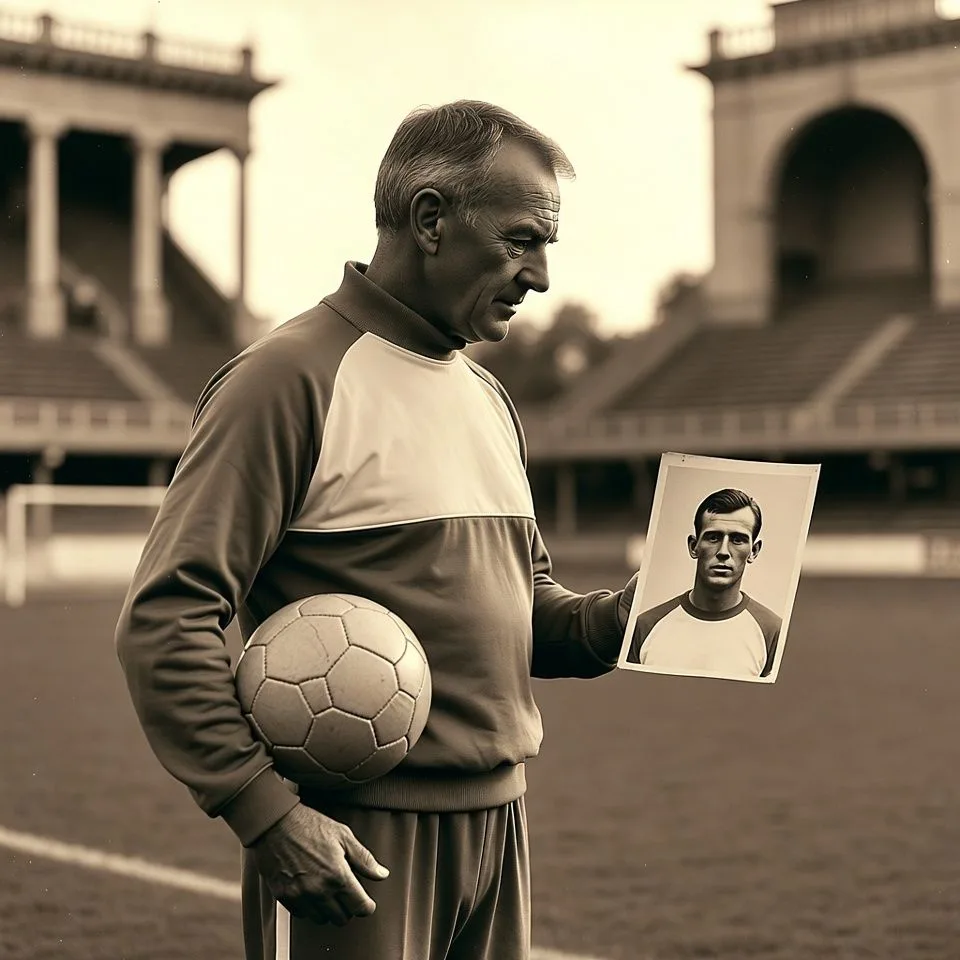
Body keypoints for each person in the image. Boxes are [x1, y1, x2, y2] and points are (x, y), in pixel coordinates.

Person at [114, 100, 638, 960]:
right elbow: (168, 616)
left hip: (499, 831)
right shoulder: (286, 380)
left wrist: (640, 613)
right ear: (431, 220)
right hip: (351, 842)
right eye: (521, 240)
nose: (541, 275)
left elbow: (523, 613)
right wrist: (267, 814)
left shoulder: (487, 396)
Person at [625, 488, 780, 678]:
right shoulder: (646, 626)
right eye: (713, 537)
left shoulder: (771, 631)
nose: (723, 551)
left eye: (737, 539)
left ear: (754, 551)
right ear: (693, 546)